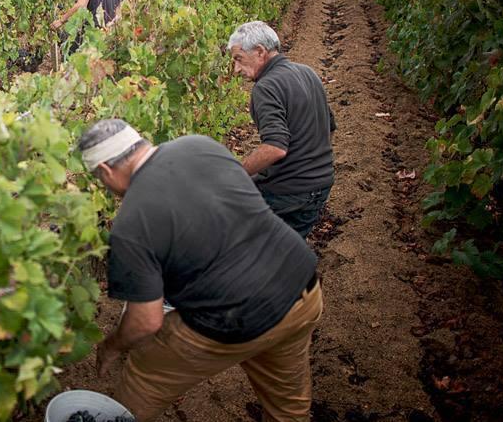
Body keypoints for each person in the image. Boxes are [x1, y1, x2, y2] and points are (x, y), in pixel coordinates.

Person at [79, 119, 322, 422]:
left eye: (99, 179)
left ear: (105, 170)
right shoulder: (200, 145)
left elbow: (146, 321)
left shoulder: (131, 223)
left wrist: (112, 345)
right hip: (301, 291)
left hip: (233, 319)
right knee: (288, 407)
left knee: (144, 379)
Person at [228, 21, 335, 238]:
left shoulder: (266, 87)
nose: (236, 69)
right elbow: (329, 128)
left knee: (229, 219)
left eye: (239, 59)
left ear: (260, 52)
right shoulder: (308, 73)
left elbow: (275, 147)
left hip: (289, 194)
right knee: (288, 245)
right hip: (321, 186)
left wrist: (235, 173)